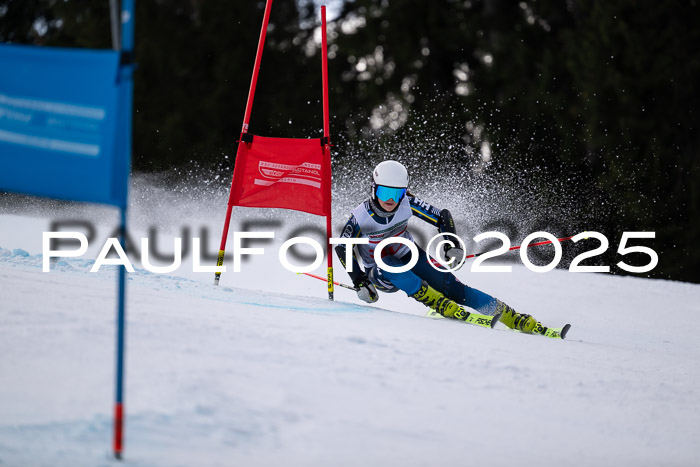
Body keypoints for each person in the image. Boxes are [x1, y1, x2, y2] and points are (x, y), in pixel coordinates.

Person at [335, 160, 544, 334]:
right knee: (388, 262)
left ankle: (512, 317)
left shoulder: (408, 202)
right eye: (384, 193)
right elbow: (342, 246)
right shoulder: (360, 216)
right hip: (380, 273)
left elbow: (441, 216)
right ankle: (437, 303)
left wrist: (450, 243)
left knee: (455, 289)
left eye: (396, 194)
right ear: (374, 190)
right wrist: (360, 281)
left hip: (409, 254)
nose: (390, 200)